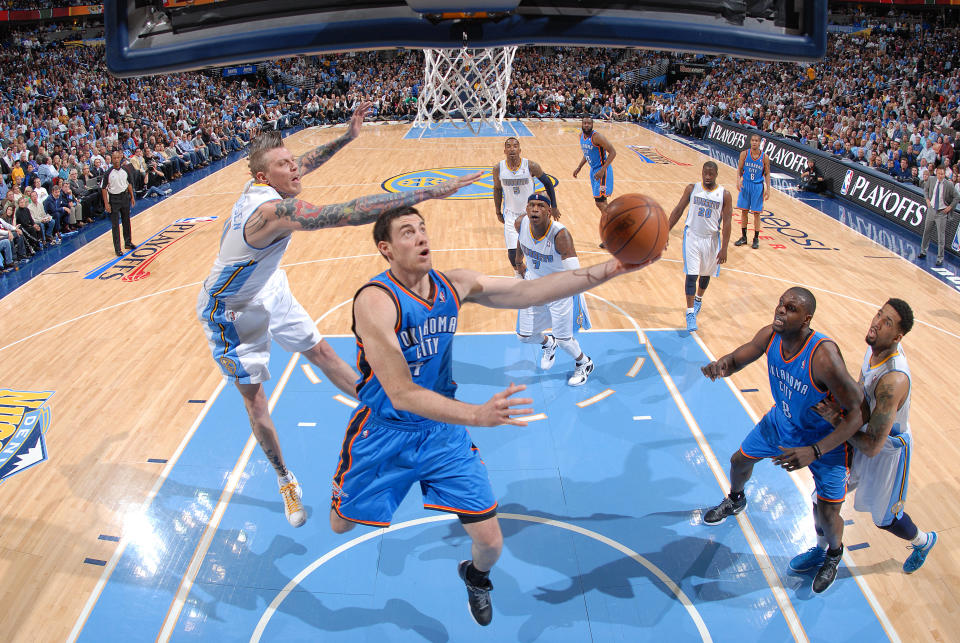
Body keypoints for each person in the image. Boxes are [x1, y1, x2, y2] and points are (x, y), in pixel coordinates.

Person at [331, 206, 660, 626]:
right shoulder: (375, 302)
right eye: (407, 232)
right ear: (386, 248)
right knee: (340, 525)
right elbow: (401, 393)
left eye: (423, 228)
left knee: (490, 542)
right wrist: (476, 414)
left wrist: (612, 268)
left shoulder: (455, 284)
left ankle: (476, 578)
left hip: (440, 435)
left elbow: (532, 291)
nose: (420, 237)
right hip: (385, 433)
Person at [197, 103, 481, 529]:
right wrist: (426, 192)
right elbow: (347, 212)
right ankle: (284, 477)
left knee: (325, 354)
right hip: (231, 311)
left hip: (267, 287)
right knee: (255, 402)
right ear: (263, 178)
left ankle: (390, 413)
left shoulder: (268, 184)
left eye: (293, 162)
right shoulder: (271, 212)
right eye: (285, 165)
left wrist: (348, 136)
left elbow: (304, 161)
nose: (296, 169)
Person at [700, 287, 866, 594]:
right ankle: (736, 499)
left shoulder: (824, 356)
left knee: (828, 514)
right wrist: (721, 365)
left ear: (806, 319)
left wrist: (814, 451)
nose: (780, 311)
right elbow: (739, 358)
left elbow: (857, 414)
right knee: (739, 461)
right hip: (782, 422)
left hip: (825, 441)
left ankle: (833, 554)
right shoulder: (770, 336)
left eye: (789, 308)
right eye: (780, 304)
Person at [793, 299, 937, 576]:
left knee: (886, 519)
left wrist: (837, 420)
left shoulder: (893, 380)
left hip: (888, 450)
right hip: (862, 435)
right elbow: (861, 395)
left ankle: (924, 541)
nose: (876, 323)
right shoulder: (875, 349)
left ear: (897, 336)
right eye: (879, 314)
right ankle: (821, 548)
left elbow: (872, 447)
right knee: (820, 498)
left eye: (887, 323)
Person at [514, 193, 594, 385]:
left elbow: (574, 274)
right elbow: (521, 240)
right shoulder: (520, 223)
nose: (535, 209)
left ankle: (584, 363)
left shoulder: (560, 236)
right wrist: (518, 261)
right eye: (531, 205)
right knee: (524, 336)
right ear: (526, 209)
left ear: (549, 212)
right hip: (534, 285)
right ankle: (548, 343)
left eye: (540, 206)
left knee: (565, 339)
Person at [666, 161, 732, 332]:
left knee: (705, 274)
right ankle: (690, 313)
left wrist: (724, 248)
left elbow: (728, 223)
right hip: (692, 236)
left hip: (712, 240)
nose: (708, 177)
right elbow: (678, 210)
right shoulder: (691, 189)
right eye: (705, 173)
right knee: (691, 274)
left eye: (711, 174)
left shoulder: (724, 194)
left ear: (717, 174)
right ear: (701, 172)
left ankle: (698, 300)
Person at [492, 137, 558, 273]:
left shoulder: (530, 166)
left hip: (531, 215)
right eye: (509, 146)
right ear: (504, 150)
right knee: (513, 256)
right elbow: (497, 189)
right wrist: (498, 212)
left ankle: (539, 278)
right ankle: (521, 277)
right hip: (510, 215)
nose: (512, 149)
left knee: (536, 252)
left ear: (519, 150)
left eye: (515, 146)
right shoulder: (498, 168)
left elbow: (548, 183)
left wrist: (554, 207)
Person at [573, 116, 616, 217]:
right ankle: (610, 221)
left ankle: (612, 221)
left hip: (602, 171)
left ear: (592, 125)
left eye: (589, 123)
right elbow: (587, 153)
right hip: (593, 171)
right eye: (585, 123)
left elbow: (613, 152)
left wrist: (602, 170)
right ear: (582, 124)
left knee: (600, 202)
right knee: (602, 200)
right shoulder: (581, 136)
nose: (587, 125)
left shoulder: (597, 137)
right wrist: (579, 167)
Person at [734, 133, 770, 249]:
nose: (754, 142)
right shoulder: (744, 154)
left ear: (760, 143)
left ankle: (756, 238)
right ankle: (744, 237)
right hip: (746, 185)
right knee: (744, 211)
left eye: (756, 141)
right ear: (750, 141)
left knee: (756, 213)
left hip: (757, 187)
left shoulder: (764, 157)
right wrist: (738, 181)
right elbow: (739, 169)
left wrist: (768, 189)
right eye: (753, 140)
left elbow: (767, 173)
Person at [100, 151, 138, 257]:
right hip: (114, 199)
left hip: (124, 197)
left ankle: (128, 242)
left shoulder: (126, 169)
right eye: (114, 158)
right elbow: (103, 188)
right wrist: (106, 204)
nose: (116, 160)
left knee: (126, 220)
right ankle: (117, 248)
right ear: (112, 159)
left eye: (118, 157)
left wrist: (132, 197)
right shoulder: (108, 172)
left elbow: (129, 183)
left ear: (120, 158)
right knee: (115, 225)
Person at [920, 164, 958, 267]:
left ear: (945, 174)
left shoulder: (949, 185)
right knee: (926, 231)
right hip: (931, 210)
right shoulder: (931, 180)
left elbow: (956, 197)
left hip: (941, 213)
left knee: (941, 237)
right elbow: (926, 190)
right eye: (939, 173)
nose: (940, 175)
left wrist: (950, 207)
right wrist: (927, 199)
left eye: (942, 174)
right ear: (936, 172)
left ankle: (940, 258)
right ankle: (923, 251)